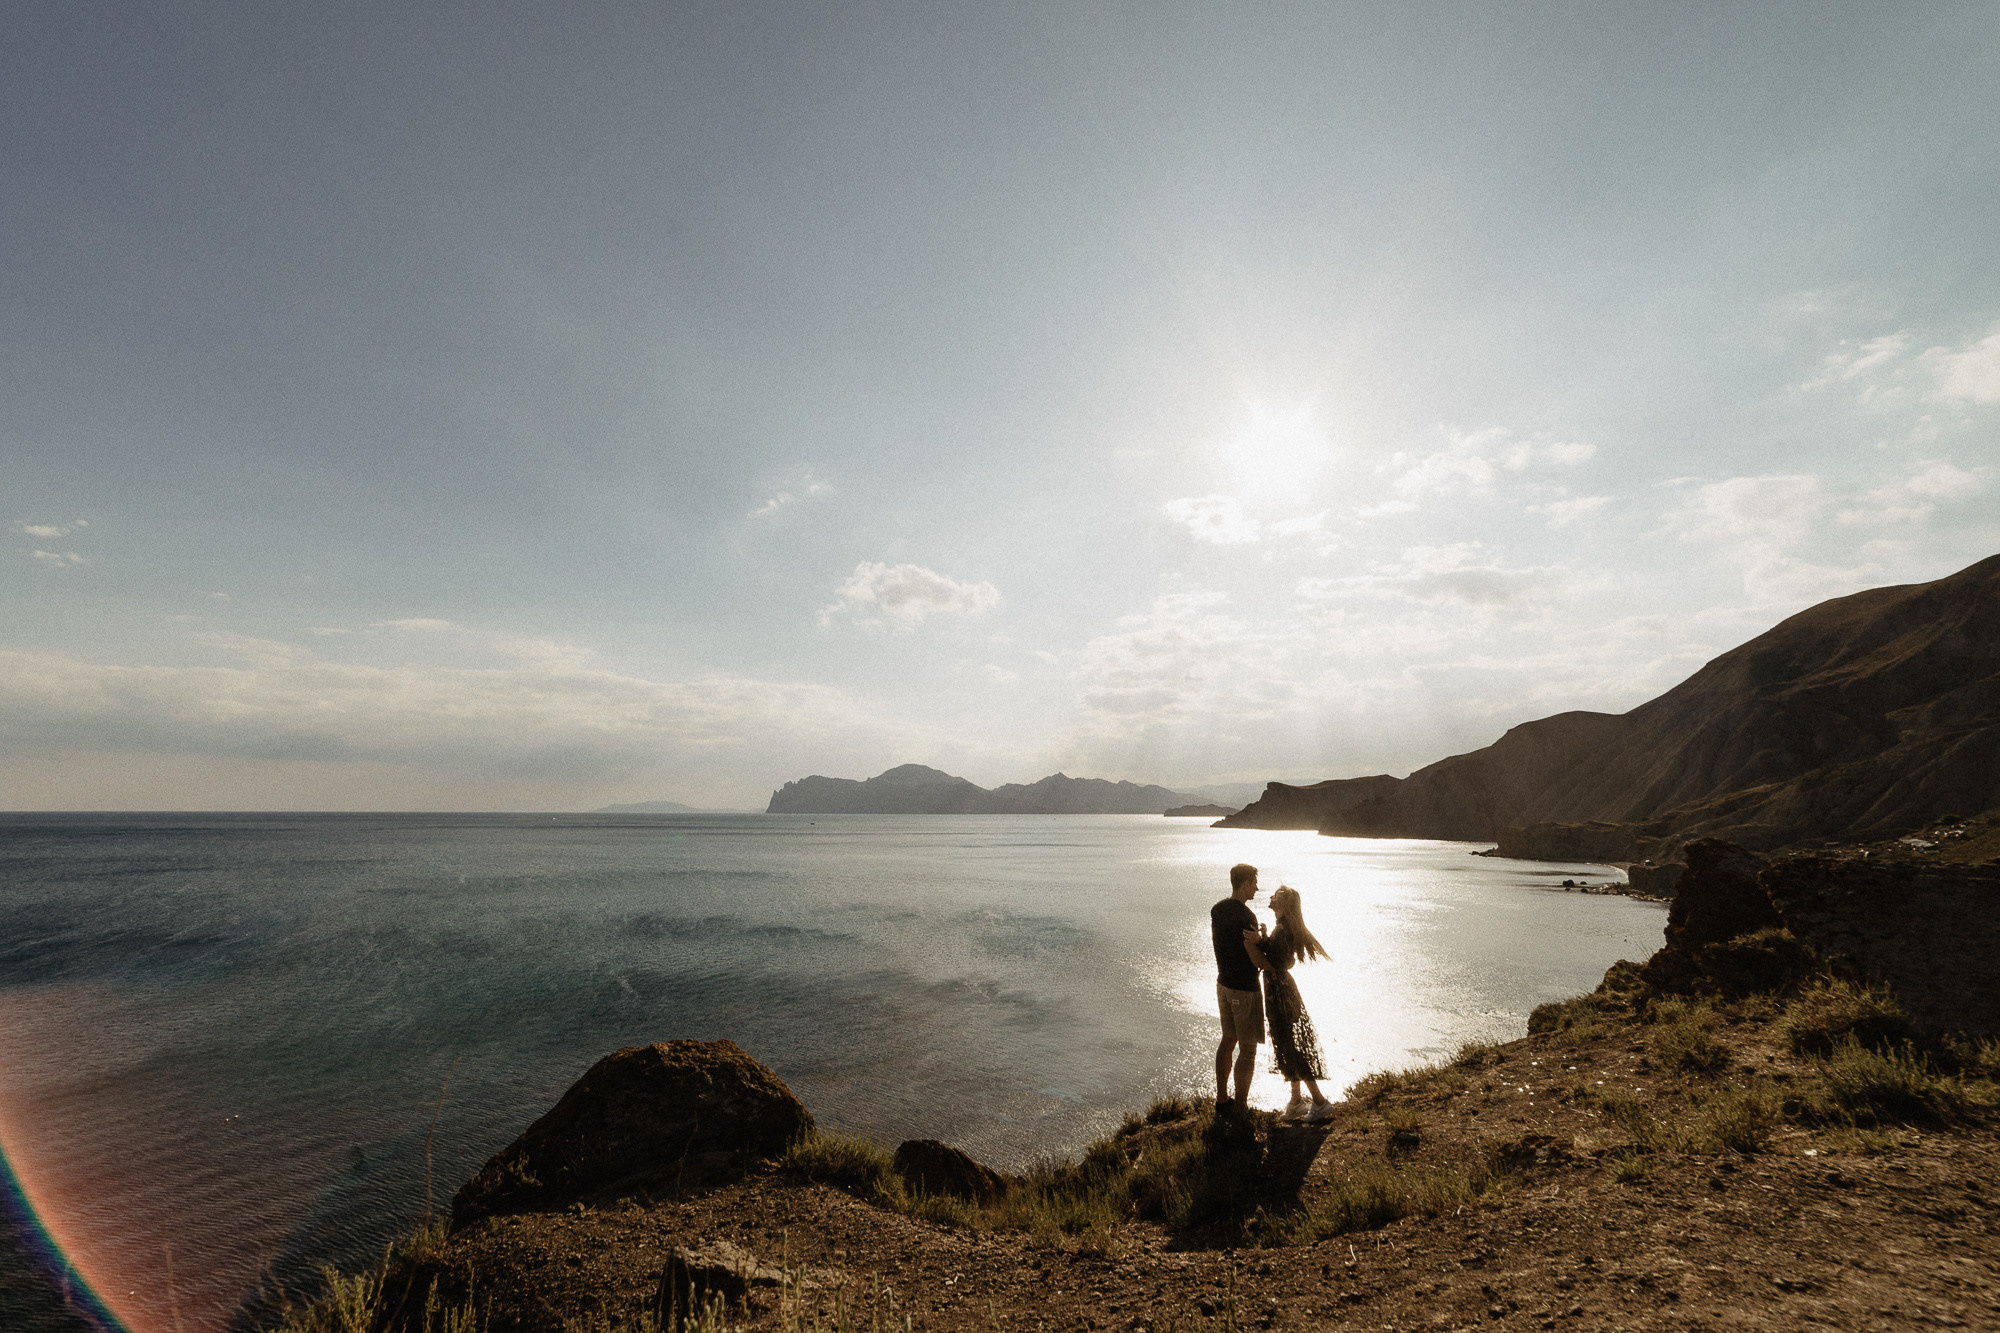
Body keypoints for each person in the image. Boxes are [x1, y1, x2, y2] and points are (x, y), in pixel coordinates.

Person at [1263, 885, 1335, 1121]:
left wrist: (1260, 942)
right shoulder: (1281, 927)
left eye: (1278, 896)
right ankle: (1296, 1101)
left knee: (1290, 1045)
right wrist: (1264, 938)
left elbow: (1281, 960)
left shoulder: (1283, 928)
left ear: (1285, 904)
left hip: (1281, 992)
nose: (1272, 897)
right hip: (1279, 989)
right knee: (1286, 1043)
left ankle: (1319, 1101)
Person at [1211, 862, 1268, 1110]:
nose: (1257, 888)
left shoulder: (1218, 910)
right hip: (1245, 988)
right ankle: (1241, 1107)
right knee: (1247, 1049)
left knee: (1228, 1040)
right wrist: (1265, 942)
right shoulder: (1247, 917)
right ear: (1244, 884)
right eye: (1254, 883)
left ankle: (1222, 1100)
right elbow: (1253, 956)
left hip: (1223, 983)